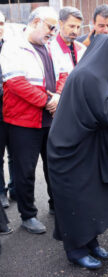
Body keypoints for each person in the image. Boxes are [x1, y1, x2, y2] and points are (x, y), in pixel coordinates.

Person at [47, 34, 108, 270]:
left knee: (93, 197)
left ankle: (90, 241)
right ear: (105, 56)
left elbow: (107, 110)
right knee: (77, 200)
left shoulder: (101, 75)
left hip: (90, 147)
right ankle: (75, 249)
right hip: (71, 150)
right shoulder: (88, 76)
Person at [0, 7, 62, 234]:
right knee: (25, 171)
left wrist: (58, 97)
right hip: (23, 121)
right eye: (50, 26)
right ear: (36, 22)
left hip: (51, 118)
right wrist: (47, 101)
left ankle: (56, 204)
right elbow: (16, 83)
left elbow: (64, 72)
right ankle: (28, 215)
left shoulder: (51, 45)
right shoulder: (13, 46)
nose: (53, 32)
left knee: (54, 165)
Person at [50, 6, 86, 96]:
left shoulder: (82, 49)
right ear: (61, 24)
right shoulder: (50, 49)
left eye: (78, 27)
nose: (75, 31)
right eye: (72, 26)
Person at [0, 11, 14, 209]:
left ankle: (16, 188)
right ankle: (1, 193)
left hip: (14, 108)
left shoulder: (12, 47)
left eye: (1, 23)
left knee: (16, 153)